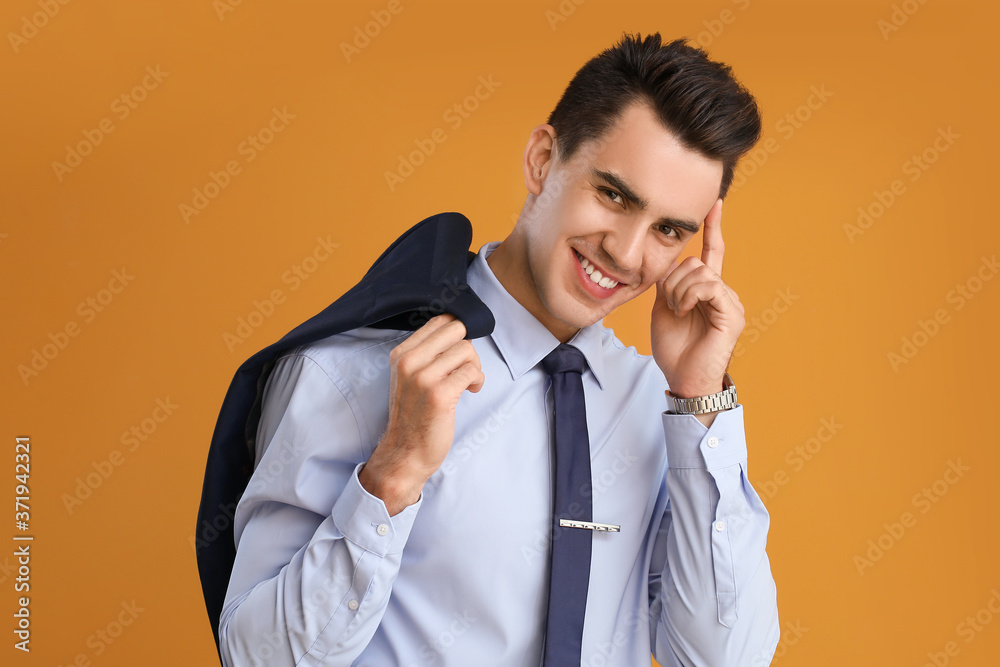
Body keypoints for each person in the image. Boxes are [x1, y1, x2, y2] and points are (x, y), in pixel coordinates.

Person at [219, 32, 780, 666]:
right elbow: (258, 659)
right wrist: (393, 474)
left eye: (667, 230)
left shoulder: (660, 408)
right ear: (543, 160)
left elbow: (724, 659)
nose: (625, 253)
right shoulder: (348, 373)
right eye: (613, 195)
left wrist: (701, 404)